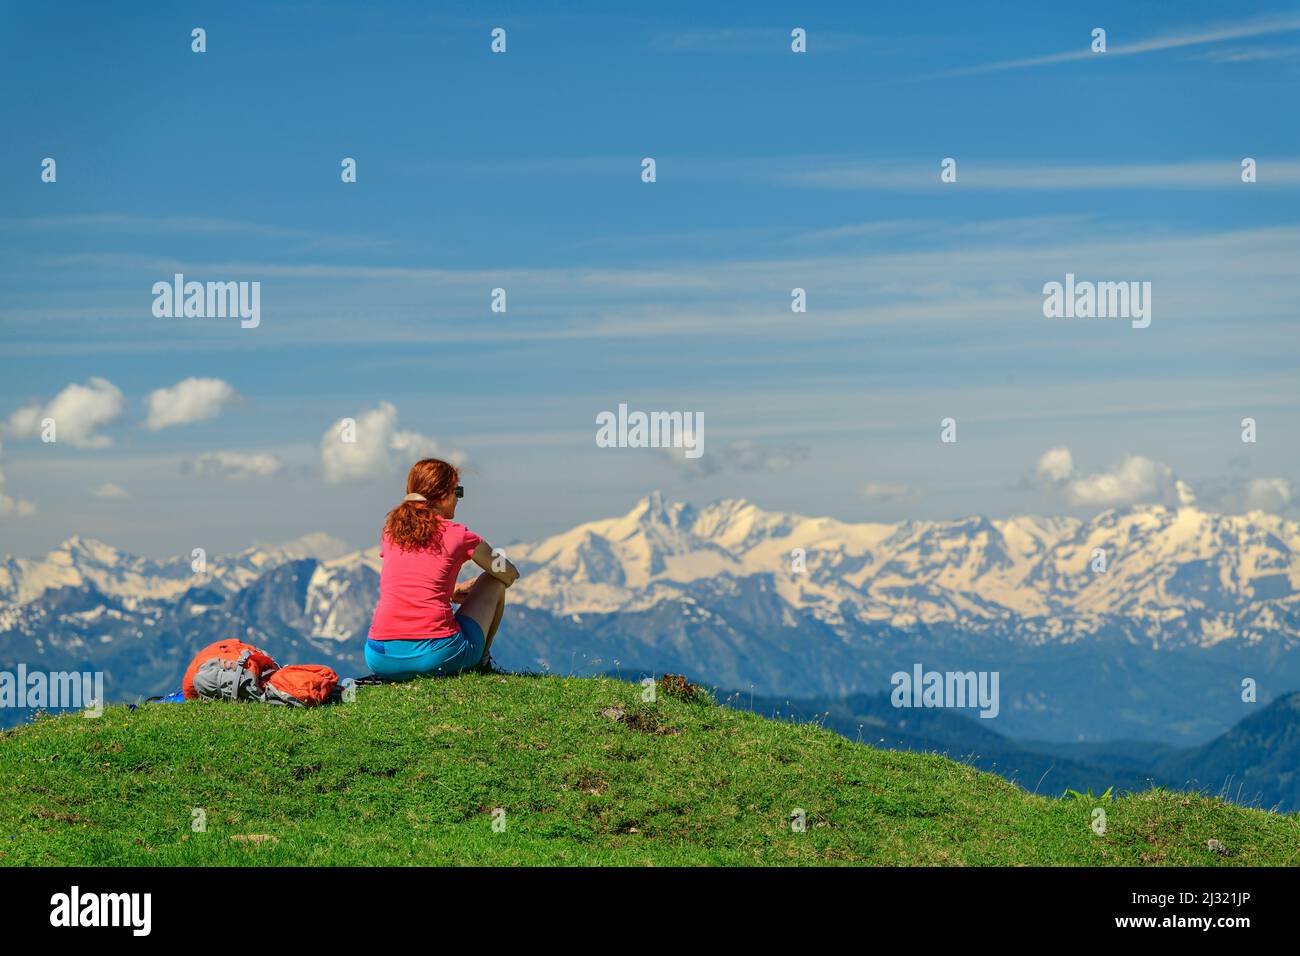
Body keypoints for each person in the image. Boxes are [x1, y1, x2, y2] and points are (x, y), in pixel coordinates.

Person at [364, 458, 519, 679]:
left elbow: (411, 582)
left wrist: (452, 591)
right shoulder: (459, 535)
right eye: (458, 491)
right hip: (437, 656)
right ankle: (483, 663)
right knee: (494, 581)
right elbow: (508, 573)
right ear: (443, 494)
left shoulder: (391, 532)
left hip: (379, 658)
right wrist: (478, 585)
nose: (458, 499)